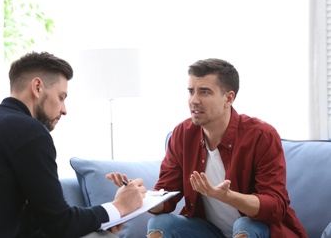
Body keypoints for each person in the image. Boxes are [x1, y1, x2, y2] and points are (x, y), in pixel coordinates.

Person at [0, 52, 146, 238]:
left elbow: (34, 219)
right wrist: (120, 206)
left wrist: (102, 219)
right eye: (61, 97)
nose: (64, 110)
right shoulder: (29, 131)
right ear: (37, 87)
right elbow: (59, 223)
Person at [108, 58, 307, 238]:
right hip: (208, 231)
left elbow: (275, 206)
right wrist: (142, 198)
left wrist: (228, 197)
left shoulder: (261, 135)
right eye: (191, 91)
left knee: (245, 224)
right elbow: (166, 196)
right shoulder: (183, 134)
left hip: (258, 231)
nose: (194, 100)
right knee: (160, 223)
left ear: (229, 98)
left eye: (204, 92)